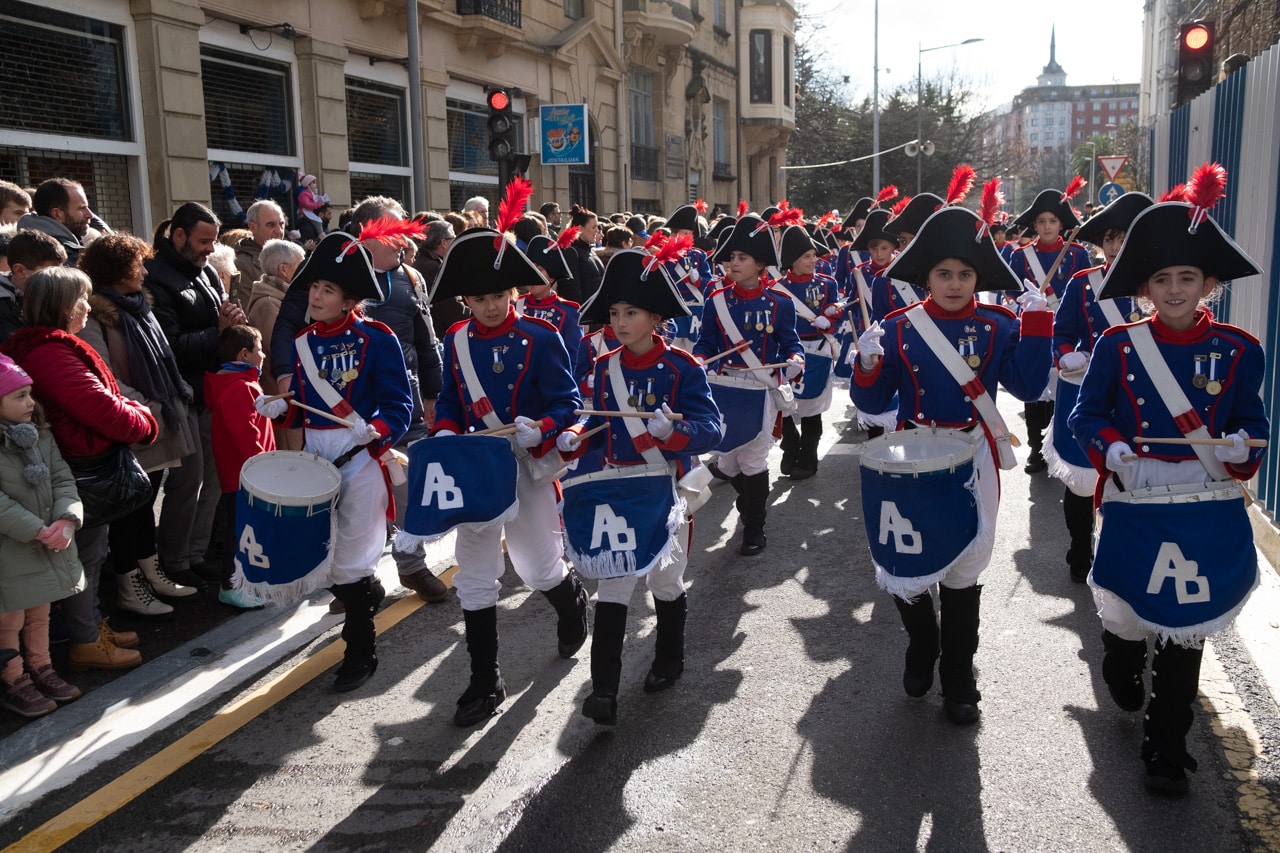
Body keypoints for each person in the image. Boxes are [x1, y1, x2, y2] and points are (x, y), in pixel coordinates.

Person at [1069, 166, 1268, 793]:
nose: (1175, 289)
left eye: (1187, 277)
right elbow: (1086, 415)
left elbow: (1252, 421)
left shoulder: (1240, 349)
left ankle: (1167, 746)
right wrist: (1111, 447)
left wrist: (1241, 445)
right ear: (1145, 287)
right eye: (1162, 279)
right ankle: (1121, 659)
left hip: (1205, 493)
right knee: (1128, 616)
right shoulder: (1118, 345)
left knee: (1188, 625)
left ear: (1209, 283)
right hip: (1135, 488)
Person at [851, 204, 1052, 725]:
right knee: (907, 561)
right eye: (944, 273)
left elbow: (1029, 387)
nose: (955, 283)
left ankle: (960, 677)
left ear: (978, 277)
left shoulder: (999, 324)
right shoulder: (898, 327)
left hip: (973, 453)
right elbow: (872, 403)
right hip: (911, 456)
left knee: (966, 564)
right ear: (926, 277)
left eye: (965, 273)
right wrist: (867, 364)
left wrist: (1037, 327)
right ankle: (923, 642)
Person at [429, 186, 588, 727]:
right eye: (479, 298)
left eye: (499, 294)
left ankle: (569, 599)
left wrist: (542, 426)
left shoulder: (541, 335)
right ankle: (485, 679)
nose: (492, 305)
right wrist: (446, 433)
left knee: (538, 568)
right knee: (474, 576)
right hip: (477, 466)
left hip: (527, 461)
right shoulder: (455, 340)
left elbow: (567, 402)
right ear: (465, 301)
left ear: (514, 291)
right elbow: (450, 401)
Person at [556, 246, 723, 724]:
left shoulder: (683, 367)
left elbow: (713, 429)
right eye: (614, 313)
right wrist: (573, 436)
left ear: (656, 318)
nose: (620, 322)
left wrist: (676, 432)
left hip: (666, 490)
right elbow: (595, 425)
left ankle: (669, 657)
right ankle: (603, 690)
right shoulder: (603, 366)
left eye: (631, 313)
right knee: (614, 584)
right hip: (619, 490)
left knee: (665, 580)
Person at [258, 228, 415, 692]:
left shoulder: (377, 338)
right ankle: (365, 593)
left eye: (328, 290)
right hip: (315, 457)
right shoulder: (304, 342)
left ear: (349, 300)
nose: (316, 296)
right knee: (321, 556)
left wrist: (378, 428)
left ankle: (360, 651)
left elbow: (399, 406)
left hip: (362, 457)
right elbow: (302, 406)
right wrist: (280, 408)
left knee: (352, 558)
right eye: (314, 287)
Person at [1, 267, 158, 670]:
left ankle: (90, 627)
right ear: (63, 307)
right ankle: (85, 641)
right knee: (84, 556)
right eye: (81, 299)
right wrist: (145, 419)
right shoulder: (50, 353)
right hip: (79, 467)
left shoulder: (49, 347)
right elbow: (103, 408)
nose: (88, 306)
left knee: (90, 553)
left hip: (78, 463)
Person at [79, 233, 199, 617]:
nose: (145, 272)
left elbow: (163, 358)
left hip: (156, 420)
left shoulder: (139, 306)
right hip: (134, 423)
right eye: (137, 266)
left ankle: (151, 571)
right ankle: (130, 585)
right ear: (117, 271)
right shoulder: (96, 317)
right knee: (128, 510)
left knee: (146, 503)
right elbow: (104, 376)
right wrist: (147, 406)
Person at [1049, 193, 1151, 582]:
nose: (1115, 246)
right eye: (1109, 238)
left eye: (1124, 237)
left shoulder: (1154, 283)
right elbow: (1061, 334)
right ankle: (1080, 548)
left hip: (1140, 398)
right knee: (1082, 478)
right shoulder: (1083, 284)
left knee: (1130, 479)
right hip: (1091, 392)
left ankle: (1122, 549)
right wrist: (1066, 356)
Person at [693, 213, 803, 556]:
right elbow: (705, 342)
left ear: (760, 264)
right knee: (727, 462)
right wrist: (699, 359)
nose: (734, 263)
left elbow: (791, 343)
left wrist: (795, 361)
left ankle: (754, 526)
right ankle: (752, 499)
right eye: (732, 257)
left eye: (742, 258)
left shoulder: (780, 303)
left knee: (753, 459)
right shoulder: (717, 301)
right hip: (725, 388)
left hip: (760, 389)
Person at [147, 203, 246, 586]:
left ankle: (195, 553)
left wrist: (232, 325)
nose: (210, 249)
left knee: (214, 475)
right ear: (179, 235)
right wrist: (218, 332)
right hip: (182, 392)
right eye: (204, 241)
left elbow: (216, 326)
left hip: (211, 389)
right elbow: (168, 346)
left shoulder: (204, 271)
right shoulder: (156, 277)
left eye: (213, 241)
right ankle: (174, 560)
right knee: (188, 480)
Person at [0, 354, 85, 717]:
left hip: (45, 539)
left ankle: (41, 666)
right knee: (9, 618)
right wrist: (35, 529)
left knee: (40, 610)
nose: (30, 403)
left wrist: (67, 519)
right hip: (11, 547)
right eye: (19, 396)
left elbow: (63, 479)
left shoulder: (40, 436)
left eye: (30, 394)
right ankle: (12, 678)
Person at [1007, 181, 1091, 474]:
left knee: (1064, 392)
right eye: (1041, 221)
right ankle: (1035, 450)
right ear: (1034, 224)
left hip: (1067, 330)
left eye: (1052, 221)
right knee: (1034, 389)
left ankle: (1059, 448)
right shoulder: (1020, 256)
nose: (1046, 226)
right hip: (1035, 329)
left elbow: (1085, 291)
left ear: (1061, 224)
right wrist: (1023, 302)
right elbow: (1012, 290)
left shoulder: (1077, 253)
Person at [205, 325, 274, 609]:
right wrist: (262, 466)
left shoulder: (236, 384)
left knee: (246, 531)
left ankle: (245, 583)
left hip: (241, 475)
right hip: (246, 476)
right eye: (259, 349)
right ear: (244, 354)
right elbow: (245, 434)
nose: (264, 354)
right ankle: (231, 586)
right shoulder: (241, 387)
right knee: (242, 534)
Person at [773, 225, 841, 479]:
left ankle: (808, 457)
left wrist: (829, 318)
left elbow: (836, 315)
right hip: (788, 354)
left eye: (814, 255)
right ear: (792, 260)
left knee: (812, 409)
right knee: (783, 405)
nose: (813, 260)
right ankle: (790, 445)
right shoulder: (776, 288)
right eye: (806, 256)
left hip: (817, 352)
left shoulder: (827, 284)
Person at [520, 230, 584, 359]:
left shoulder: (569, 312)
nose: (532, 275)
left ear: (551, 277)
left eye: (539, 270)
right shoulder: (513, 305)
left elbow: (574, 357)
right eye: (529, 269)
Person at [1, 230, 67, 343]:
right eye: (49, 272)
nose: (58, 278)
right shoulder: (4, 306)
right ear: (20, 270)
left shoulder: (53, 296)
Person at [16, 179, 93, 267]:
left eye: (87, 207)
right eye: (81, 208)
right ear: (57, 214)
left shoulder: (22, 244)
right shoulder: (59, 256)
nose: (90, 215)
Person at [233, 201, 286, 305]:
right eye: (271, 225)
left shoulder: (292, 255)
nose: (279, 231)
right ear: (253, 227)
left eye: (281, 224)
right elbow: (248, 308)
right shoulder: (240, 263)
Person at [560, 204, 604, 306]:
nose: (597, 231)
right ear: (580, 228)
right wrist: (579, 313)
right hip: (584, 313)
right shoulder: (571, 252)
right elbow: (571, 290)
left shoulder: (590, 250)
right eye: (593, 227)